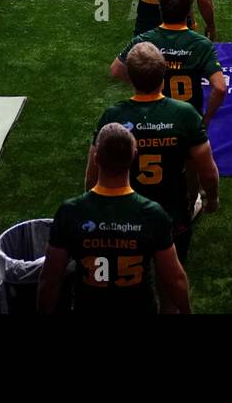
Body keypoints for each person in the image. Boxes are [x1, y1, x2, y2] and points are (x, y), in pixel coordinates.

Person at [93, 41, 219, 272]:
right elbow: (207, 171)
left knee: (131, 276)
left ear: (130, 77)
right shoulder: (185, 114)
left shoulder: (113, 116)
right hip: (172, 214)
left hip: (125, 216)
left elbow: (93, 175)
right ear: (164, 76)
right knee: (171, 278)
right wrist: (211, 198)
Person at [40, 122, 190, 314]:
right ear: (133, 156)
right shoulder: (152, 214)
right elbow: (174, 278)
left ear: (96, 158)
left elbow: (50, 279)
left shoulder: (70, 212)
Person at [111, 0, 227, 126]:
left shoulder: (143, 40)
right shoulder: (201, 44)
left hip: (152, 118)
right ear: (188, 11)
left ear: (161, 8)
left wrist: (142, 84)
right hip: (188, 122)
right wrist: (207, 118)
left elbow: (116, 70)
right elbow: (220, 88)